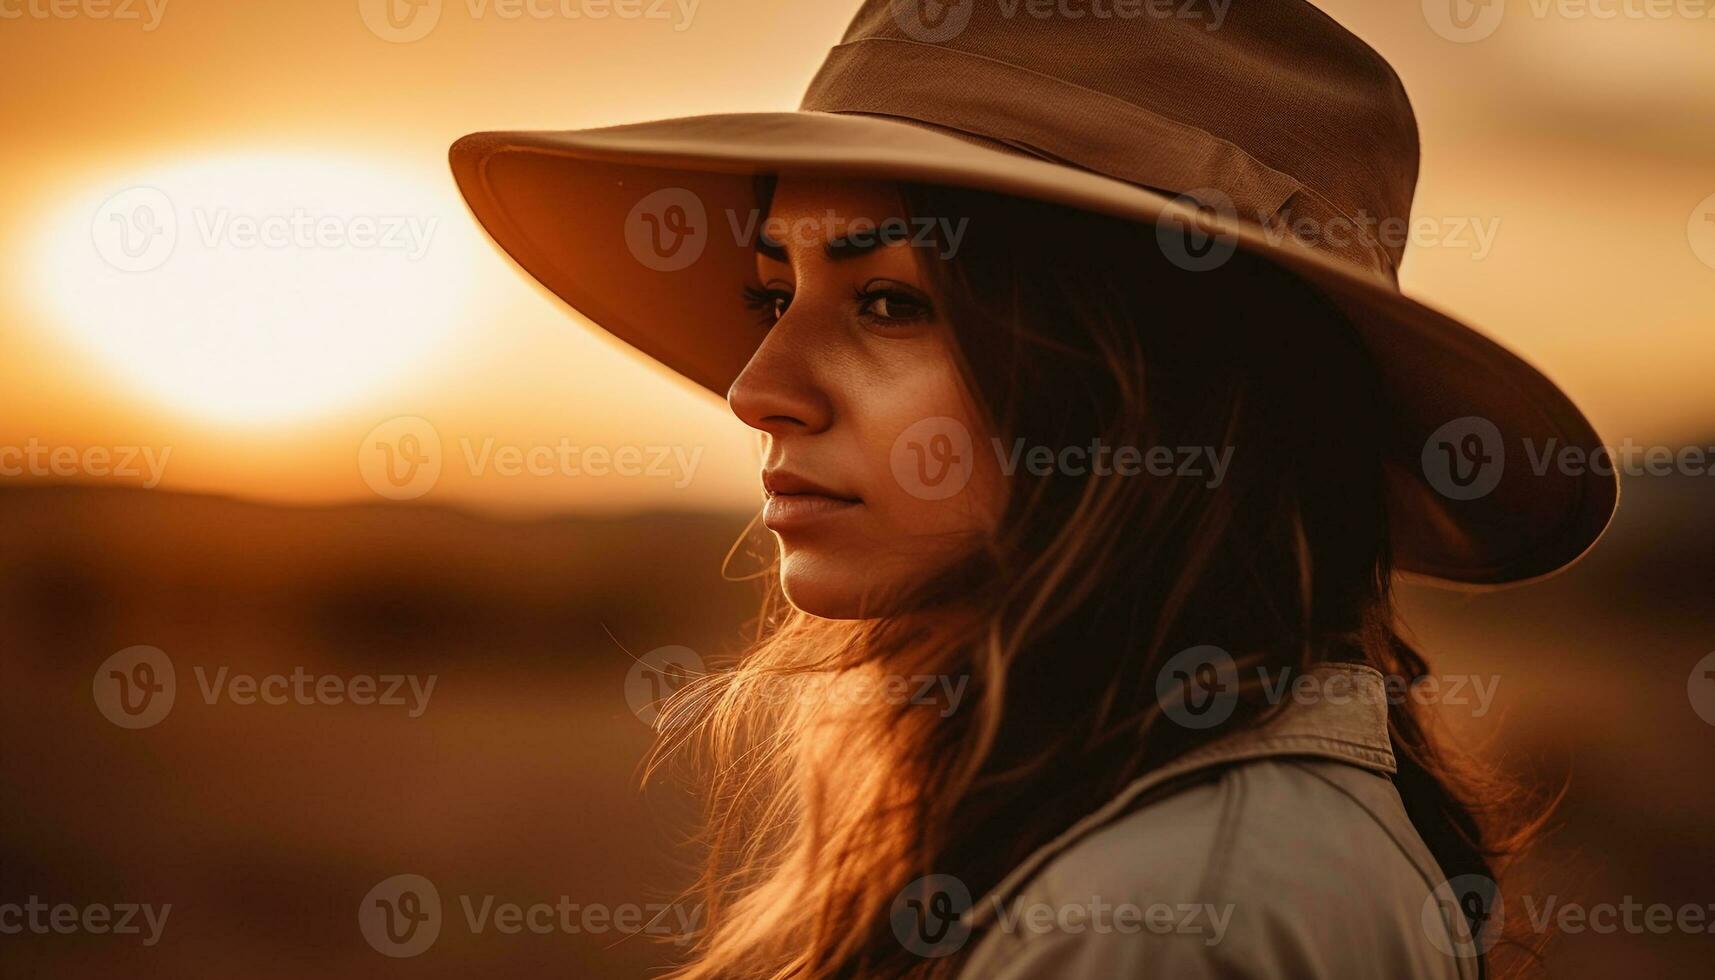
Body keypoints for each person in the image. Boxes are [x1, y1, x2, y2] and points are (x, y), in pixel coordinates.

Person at [452, 2, 1617, 976]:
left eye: (890, 301)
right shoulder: (1135, 838)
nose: (757, 388)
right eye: (773, 293)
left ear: (1147, 381)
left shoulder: (1160, 915)